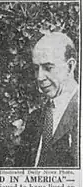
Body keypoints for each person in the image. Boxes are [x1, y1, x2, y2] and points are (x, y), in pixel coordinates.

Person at [16, 32, 79, 167]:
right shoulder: (35, 119)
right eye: (36, 68)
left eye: (48, 68)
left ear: (70, 67)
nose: (39, 77)